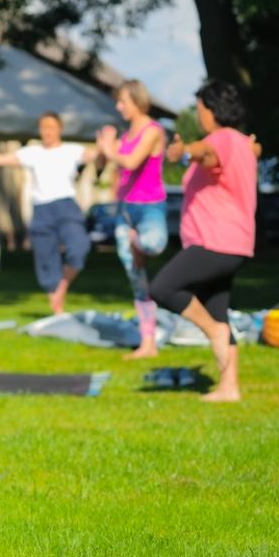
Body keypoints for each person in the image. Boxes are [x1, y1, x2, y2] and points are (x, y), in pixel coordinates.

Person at [149, 80, 258, 402]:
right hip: (234, 243)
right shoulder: (243, 143)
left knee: (163, 288)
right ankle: (229, 387)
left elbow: (207, 153)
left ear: (213, 110)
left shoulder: (221, 140)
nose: (199, 117)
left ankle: (212, 332)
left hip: (214, 242)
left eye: (200, 111)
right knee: (218, 309)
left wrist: (186, 152)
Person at [0, 112, 98, 314]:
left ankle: (62, 287)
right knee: (46, 260)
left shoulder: (72, 150)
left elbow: (99, 154)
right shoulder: (32, 153)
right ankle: (57, 308)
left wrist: (109, 144)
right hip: (42, 209)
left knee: (78, 247)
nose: (47, 131)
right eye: (43, 127)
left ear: (60, 129)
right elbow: (1, 159)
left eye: (51, 127)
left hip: (66, 206)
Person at [95, 80, 168, 359]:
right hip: (125, 209)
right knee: (136, 280)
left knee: (154, 244)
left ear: (137, 101)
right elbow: (103, 165)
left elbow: (130, 162)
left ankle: (140, 244)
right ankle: (147, 343)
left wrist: (110, 148)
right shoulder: (125, 136)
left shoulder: (153, 131)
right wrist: (104, 149)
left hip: (149, 208)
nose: (118, 106)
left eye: (122, 101)